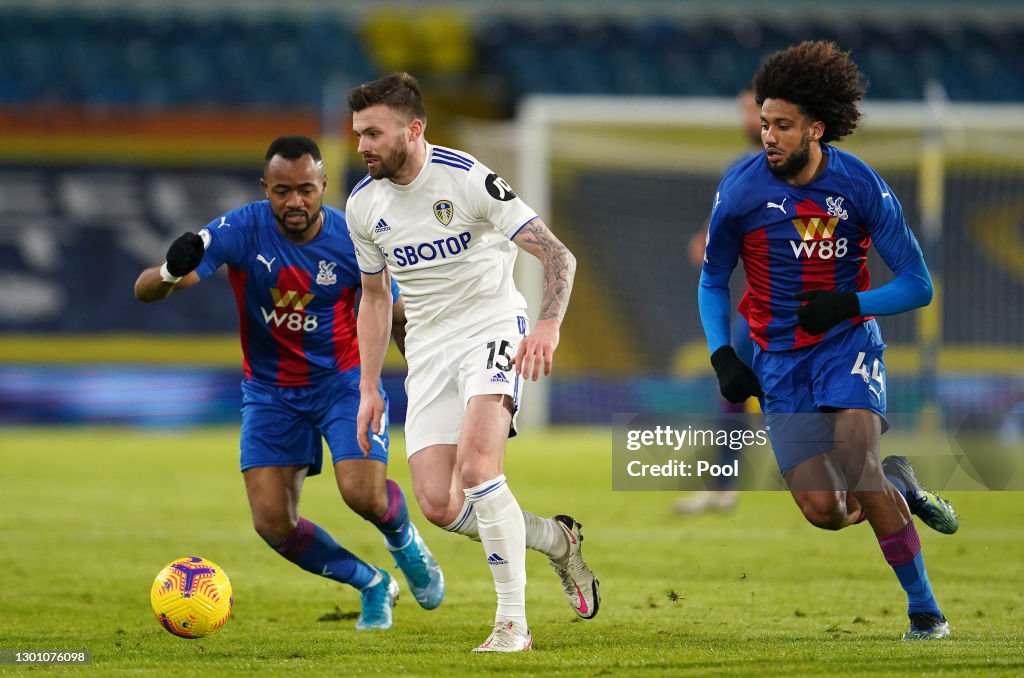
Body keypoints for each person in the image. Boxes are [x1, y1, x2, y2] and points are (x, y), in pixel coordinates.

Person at [699, 41, 959, 641]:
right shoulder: (739, 191)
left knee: (857, 464)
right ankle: (902, 485)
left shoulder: (862, 187)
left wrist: (850, 304)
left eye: (783, 126)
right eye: (764, 123)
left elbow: (919, 286)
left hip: (846, 345)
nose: (769, 136)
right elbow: (713, 279)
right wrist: (722, 355)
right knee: (827, 511)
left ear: (816, 128)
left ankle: (926, 612)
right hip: (776, 358)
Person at [134, 135, 445, 631]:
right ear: (266, 189)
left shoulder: (355, 238)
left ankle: (403, 538)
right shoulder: (240, 228)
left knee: (362, 495)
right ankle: (371, 583)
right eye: (282, 191)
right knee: (272, 523)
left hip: (343, 382)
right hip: (269, 392)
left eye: (305, 189)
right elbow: (148, 290)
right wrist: (172, 268)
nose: (294, 201)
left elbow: (396, 314)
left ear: (324, 185)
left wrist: (426, 379)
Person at [345, 72, 600, 653]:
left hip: (492, 327)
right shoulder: (363, 205)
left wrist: (548, 324)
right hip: (430, 350)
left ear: (413, 130)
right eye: (359, 133)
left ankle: (513, 624)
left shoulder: (466, 179)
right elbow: (377, 297)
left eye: (374, 133)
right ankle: (555, 540)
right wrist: (368, 387)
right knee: (438, 503)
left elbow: (559, 255)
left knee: (480, 467)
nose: (362, 145)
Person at [675, 87, 763, 515]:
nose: (746, 118)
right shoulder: (741, 168)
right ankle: (722, 484)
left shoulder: (811, 171)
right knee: (732, 387)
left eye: (753, 108)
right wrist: (708, 235)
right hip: (758, 302)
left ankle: (845, 478)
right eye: (743, 110)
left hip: (810, 303)